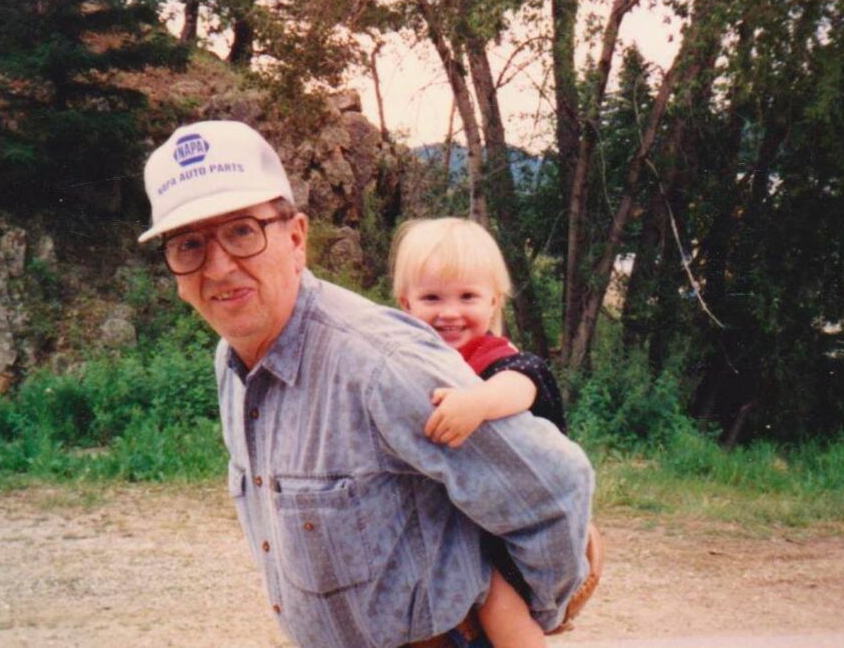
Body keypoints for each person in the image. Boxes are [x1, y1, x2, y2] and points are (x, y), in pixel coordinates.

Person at [140, 120, 598, 648]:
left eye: (243, 231)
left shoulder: (382, 366)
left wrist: (523, 619)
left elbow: (554, 488)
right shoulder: (232, 362)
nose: (218, 267)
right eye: (189, 244)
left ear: (295, 238)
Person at [391, 218, 579, 647]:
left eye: (468, 296)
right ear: (406, 304)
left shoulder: (494, 357)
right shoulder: (408, 360)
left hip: (510, 521)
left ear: (494, 302)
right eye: (432, 297)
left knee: (497, 600)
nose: (450, 311)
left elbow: (524, 382)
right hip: (456, 510)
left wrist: (476, 402)